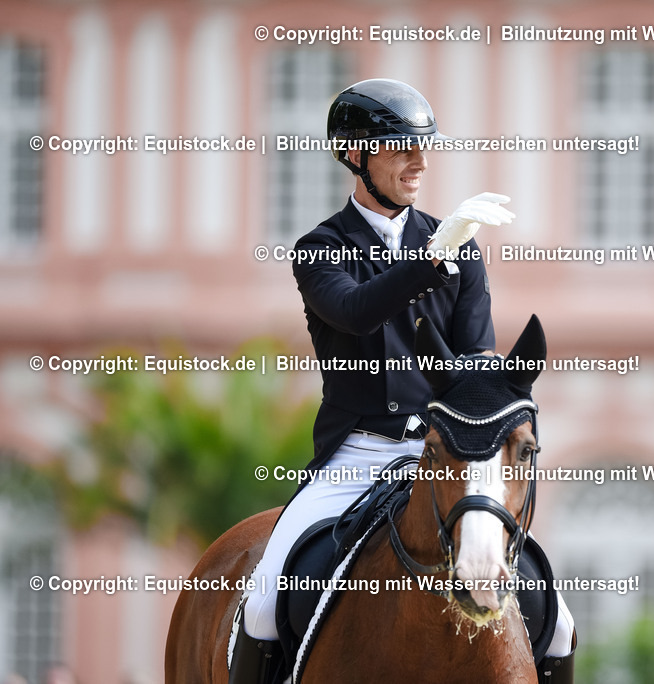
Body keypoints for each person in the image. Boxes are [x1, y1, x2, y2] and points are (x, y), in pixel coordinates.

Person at [229, 79, 574, 683]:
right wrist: (432, 257)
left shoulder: (459, 246)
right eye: (400, 148)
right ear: (355, 155)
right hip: (358, 453)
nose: (418, 163)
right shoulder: (321, 247)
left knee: (561, 621)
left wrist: (451, 257)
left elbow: (473, 359)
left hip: (442, 458)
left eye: (423, 148)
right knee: (262, 601)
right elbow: (358, 311)